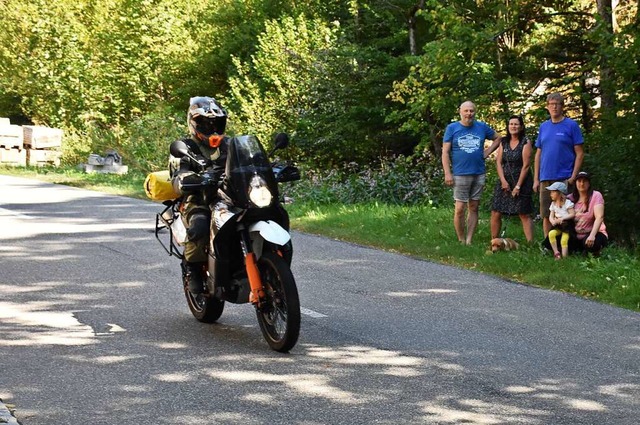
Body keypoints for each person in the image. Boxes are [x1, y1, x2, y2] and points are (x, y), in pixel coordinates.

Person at [170, 96, 229, 294]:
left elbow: (249, 161)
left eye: (217, 123)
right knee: (201, 225)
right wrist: (187, 179)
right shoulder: (184, 148)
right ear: (194, 124)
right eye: (205, 123)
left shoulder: (230, 144)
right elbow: (178, 176)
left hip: (228, 196)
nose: (212, 129)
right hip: (197, 200)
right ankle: (192, 268)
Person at [442, 100, 501, 245]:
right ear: (460, 111)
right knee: (460, 209)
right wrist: (447, 173)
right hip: (459, 173)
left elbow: (498, 138)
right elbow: (445, 152)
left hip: (478, 172)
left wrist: (487, 152)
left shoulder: (481, 127)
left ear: (475, 112)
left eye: (471, 111)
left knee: (474, 207)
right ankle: (461, 239)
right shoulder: (452, 128)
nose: (469, 114)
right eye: (466, 111)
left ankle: (469, 239)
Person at [533, 92, 584, 238]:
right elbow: (538, 153)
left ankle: (567, 244)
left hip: (564, 177)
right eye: (551, 104)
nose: (554, 107)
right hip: (546, 177)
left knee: (566, 212)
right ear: (547, 107)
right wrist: (536, 178)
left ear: (562, 106)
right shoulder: (544, 127)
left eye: (557, 104)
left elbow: (580, 153)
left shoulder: (571, 125)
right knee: (546, 213)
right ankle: (547, 244)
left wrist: (573, 177)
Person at [490, 115, 534, 243]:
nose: (513, 127)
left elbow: (526, 165)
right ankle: (494, 241)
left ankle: (530, 244)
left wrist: (518, 186)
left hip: (521, 180)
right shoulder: (503, 142)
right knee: (496, 211)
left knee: (523, 213)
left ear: (521, 127)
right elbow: (498, 162)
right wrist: (503, 181)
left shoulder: (525, 142)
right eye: (511, 124)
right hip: (504, 180)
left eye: (516, 124)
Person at [568, 171, 608, 255]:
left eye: (584, 181)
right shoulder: (570, 198)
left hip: (595, 233)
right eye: (579, 181)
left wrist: (592, 235)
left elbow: (599, 217)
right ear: (575, 183)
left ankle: (596, 251)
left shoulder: (596, 195)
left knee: (590, 245)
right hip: (577, 234)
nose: (582, 184)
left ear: (589, 183)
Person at [546, 181, 575, 260]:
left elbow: (572, 214)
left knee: (564, 240)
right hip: (558, 225)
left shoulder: (567, 203)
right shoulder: (553, 204)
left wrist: (563, 218)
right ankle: (556, 253)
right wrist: (552, 221)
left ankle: (565, 257)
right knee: (551, 233)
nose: (550, 194)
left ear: (559, 193)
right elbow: (551, 216)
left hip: (566, 225)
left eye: (553, 192)